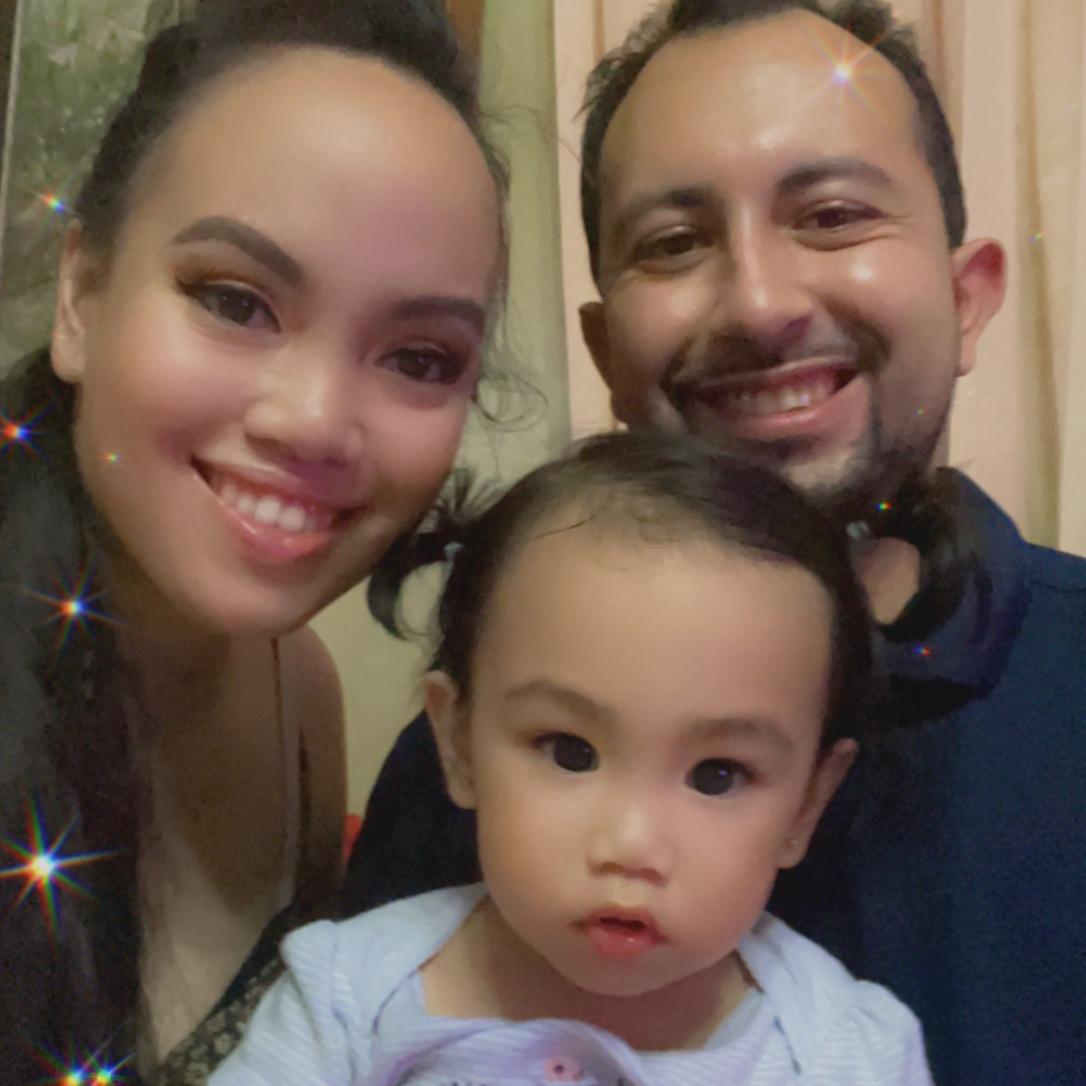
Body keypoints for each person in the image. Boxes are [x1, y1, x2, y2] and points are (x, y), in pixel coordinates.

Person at [345, 3, 1086, 1085]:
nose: (758, 302)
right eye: (674, 243)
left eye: (832, 215)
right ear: (606, 348)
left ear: (967, 298)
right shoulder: (479, 753)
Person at [0, 1, 507, 1081]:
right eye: (235, 301)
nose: (315, 421)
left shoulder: (302, 699)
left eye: (419, 358)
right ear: (81, 295)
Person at [211, 430, 934, 1086]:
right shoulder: (346, 999)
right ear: (459, 744)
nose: (632, 845)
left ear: (807, 804)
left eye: (718, 776)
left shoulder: (845, 1052)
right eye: (570, 752)